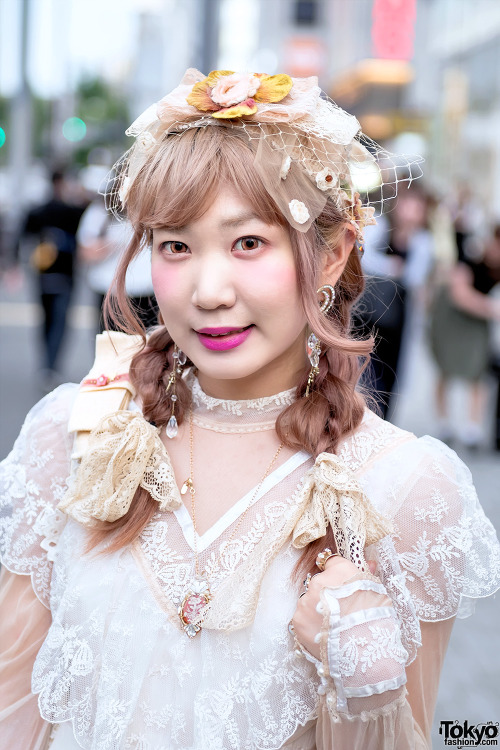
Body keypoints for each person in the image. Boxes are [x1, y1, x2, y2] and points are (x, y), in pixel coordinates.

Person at [1, 69, 499, 750]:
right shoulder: (74, 437)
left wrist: (364, 687)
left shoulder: (405, 490)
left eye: (248, 243)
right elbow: (14, 715)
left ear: (331, 257)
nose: (207, 291)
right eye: (175, 244)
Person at [14, 169, 87, 389]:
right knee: (59, 322)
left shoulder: (38, 211)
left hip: (42, 275)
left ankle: (45, 365)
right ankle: (51, 366)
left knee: (45, 321)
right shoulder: (73, 211)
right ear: (63, 182)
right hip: (65, 276)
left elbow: (22, 238)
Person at [429, 223, 500, 448]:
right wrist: (490, 308)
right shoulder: (470, 257)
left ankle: (473, 427)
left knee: (477, 371)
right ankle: (444, 422)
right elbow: (460, 294)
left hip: (477, 324)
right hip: (452, 320)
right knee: (445, 369)